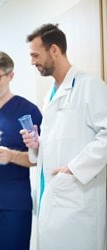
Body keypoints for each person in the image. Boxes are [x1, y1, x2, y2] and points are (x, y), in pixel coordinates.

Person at [23, 23, 107, 250]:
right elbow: (62, 141)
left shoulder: (89, 85)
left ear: (54, 50)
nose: (32, 62)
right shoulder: (51, 94)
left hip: (76, 197)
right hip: (51, 193)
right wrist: (38, 144)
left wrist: (74, 168)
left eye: (35, 55)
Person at [0, 51, 42, 250]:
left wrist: (11, 156)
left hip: (12, 205)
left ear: (10, 76)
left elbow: (39, 159)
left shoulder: (28, 111)